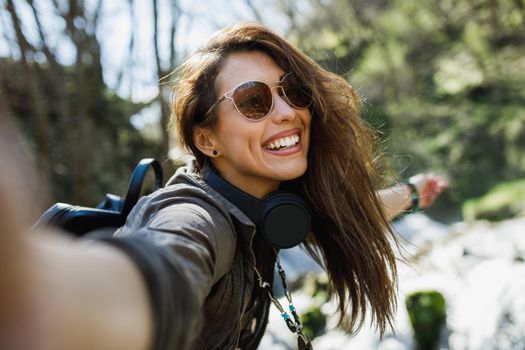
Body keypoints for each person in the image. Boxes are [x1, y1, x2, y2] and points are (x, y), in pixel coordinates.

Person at [0, 23, 446, 350]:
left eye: (293, 91)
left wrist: (412, 192)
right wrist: (37, 292)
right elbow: (163, 266)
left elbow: (336, 216)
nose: (287, 111)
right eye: (255, 101)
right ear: (206, 139)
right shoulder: (194, 215)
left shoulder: (270, 204)